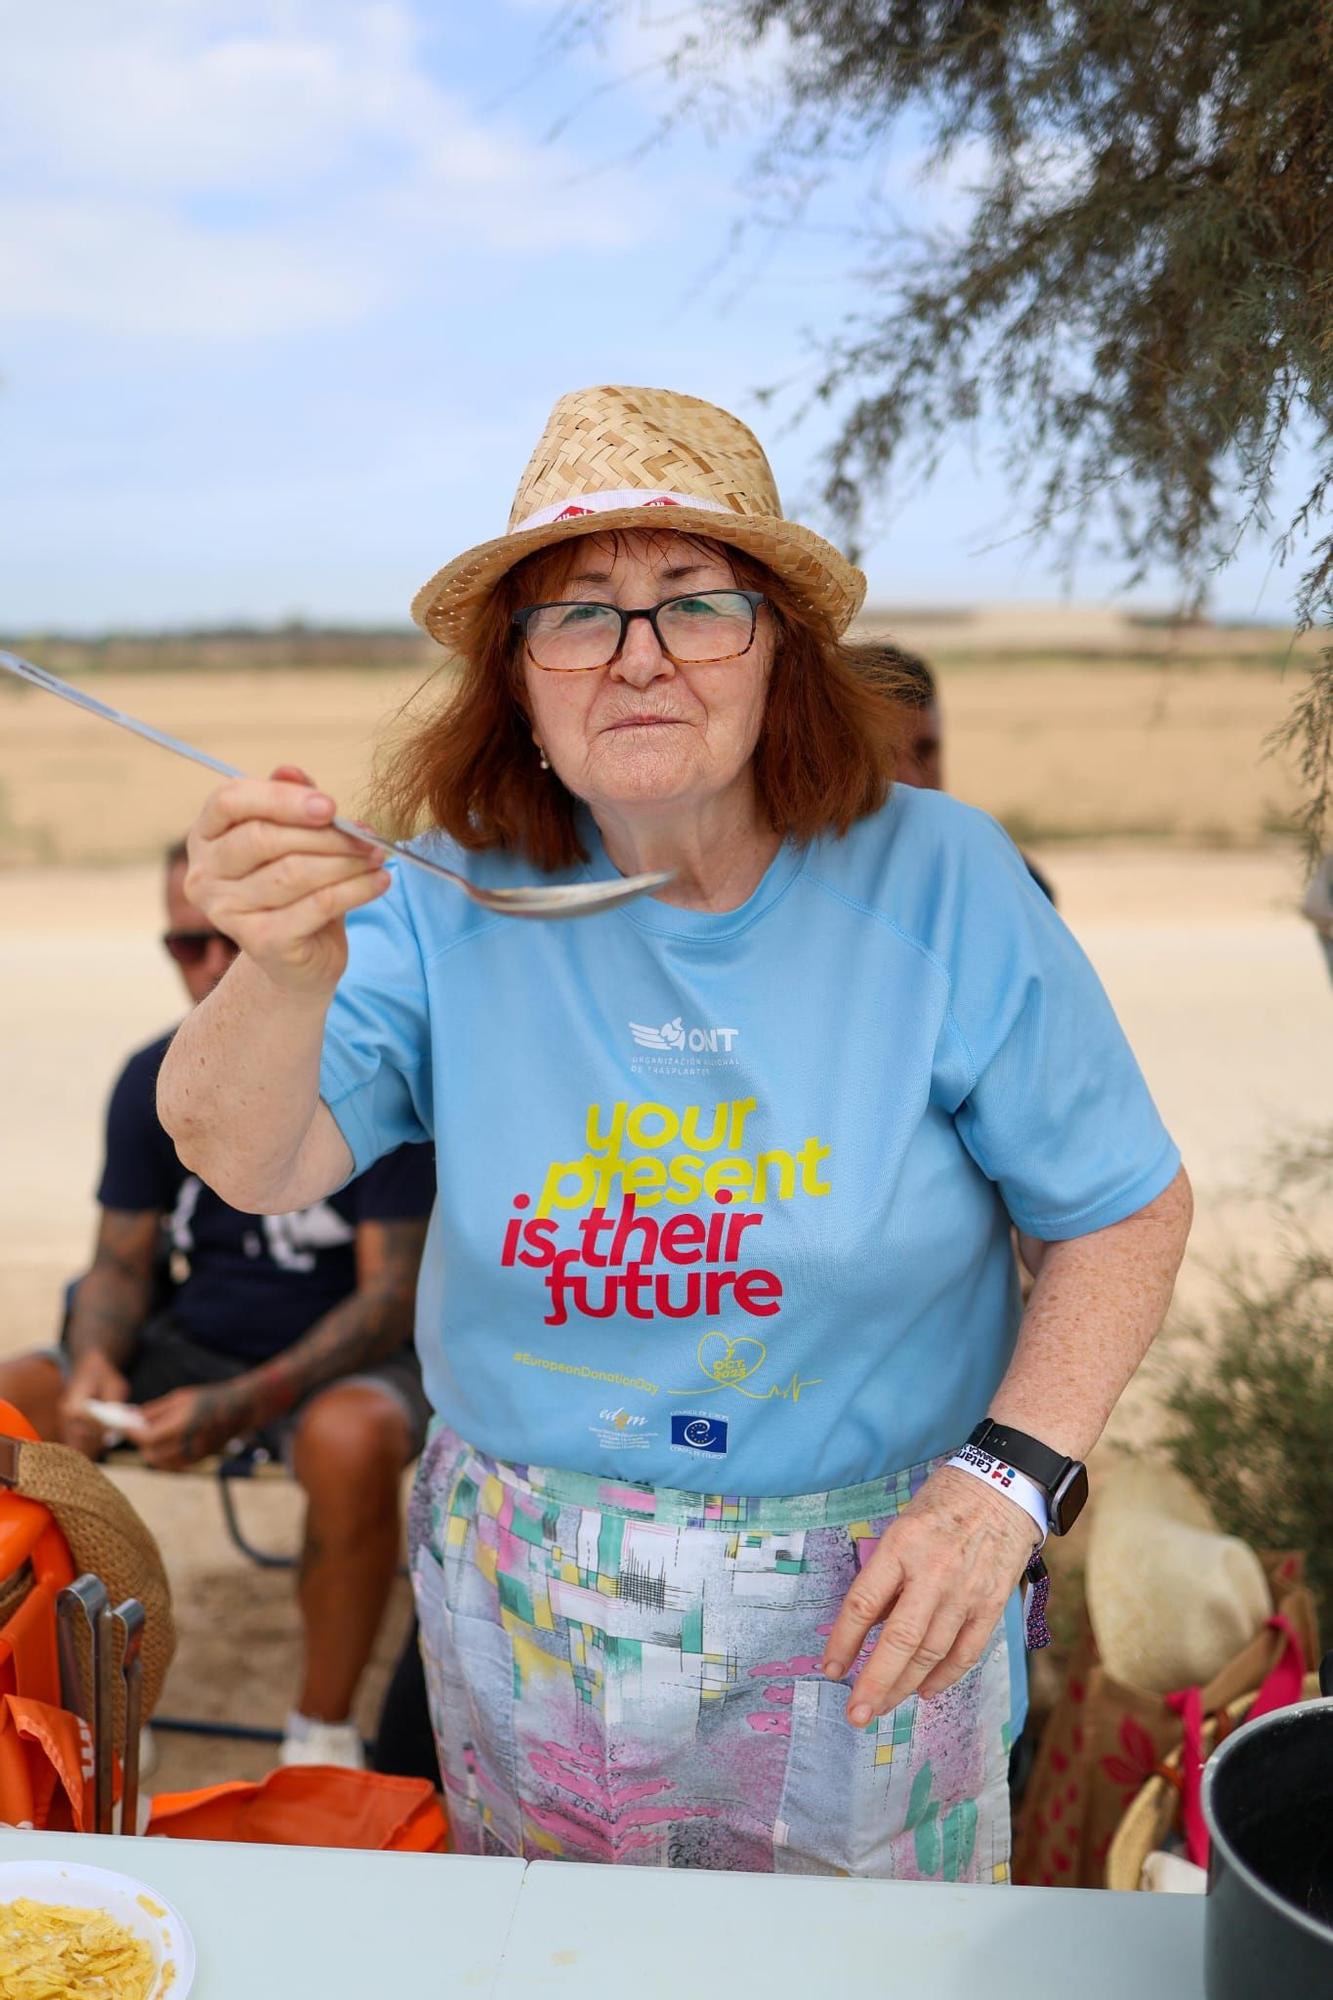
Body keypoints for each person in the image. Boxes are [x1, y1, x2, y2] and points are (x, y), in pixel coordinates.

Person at [158, 384, 1191, 1878]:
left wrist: (1003, 1488)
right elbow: (244, 1156)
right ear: (518, 679)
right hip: (525, 1606)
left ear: (779, 651)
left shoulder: (945, 880)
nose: (637, 659)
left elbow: (1122, 1211)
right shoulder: (450, 888)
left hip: (882, 1595)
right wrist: (280, 970)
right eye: (577, 616)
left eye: (695, 605)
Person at [0, 839, 436, 1769]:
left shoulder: (373, 1065)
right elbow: (119, 1262)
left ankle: (318, 1735)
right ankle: (88, 1695)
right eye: (180, 943)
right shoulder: (154, 1073)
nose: (201, 966)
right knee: (16, 1403)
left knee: (349, 1437)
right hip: (198, 1340)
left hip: (349, 1355)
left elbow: (388, 1300)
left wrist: (241, 1405)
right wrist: (93, 1362)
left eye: (223, 941)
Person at [854, 638, 1057, 902]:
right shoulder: (804, 885)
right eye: (882, 756)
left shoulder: (1011, 887)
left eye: (924, 753)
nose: (911, 780)